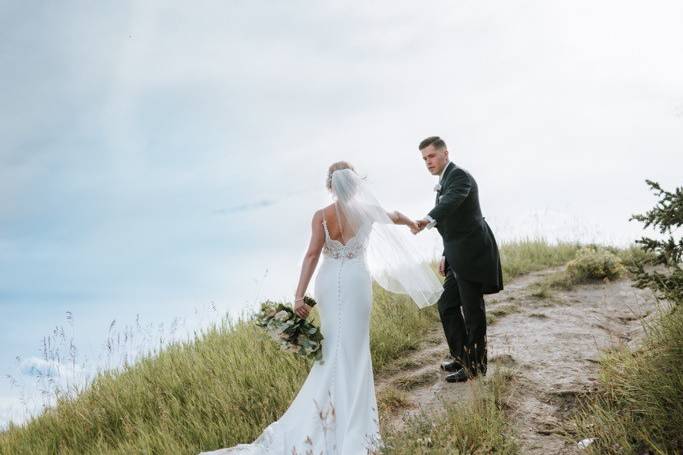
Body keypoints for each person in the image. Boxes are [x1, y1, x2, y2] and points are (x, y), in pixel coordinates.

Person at [200, 161, 442, 455]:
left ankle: (327, 413)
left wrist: (298, 296)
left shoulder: (321, 217)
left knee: (332, 347)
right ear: (355, 185)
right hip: (355, 281)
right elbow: (394, 216)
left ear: (330, 185)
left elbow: (312, 254)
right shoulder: (365, 211)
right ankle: (354, 421)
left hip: (328, 283)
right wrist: (413, 224)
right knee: (353, 347)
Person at [414, 136, 503, 383]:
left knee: (473, 311)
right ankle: (462, 356)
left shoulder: (459, 177)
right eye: (424, 159)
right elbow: (453, 224)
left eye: (431, 156)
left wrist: (426, 220)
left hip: (473, 254)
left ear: (445, 153)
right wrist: (445, 254)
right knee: (447, 304)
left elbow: (451, 203)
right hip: (457, 255)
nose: (428, 162)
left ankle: (475, 366)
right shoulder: (445, 180)